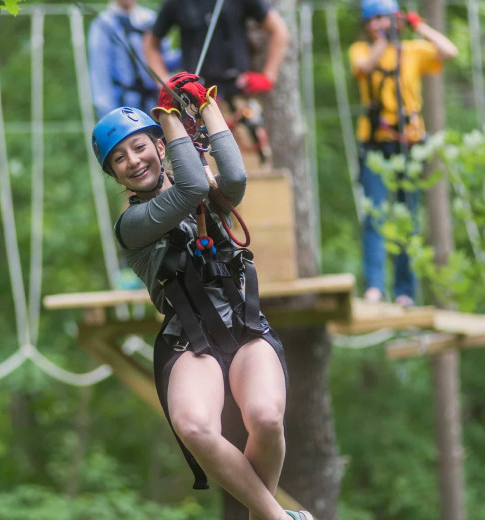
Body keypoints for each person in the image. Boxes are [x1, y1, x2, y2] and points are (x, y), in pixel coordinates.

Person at [91, 72, 312, 520]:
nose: (133, 161)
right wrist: (169, 115)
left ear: (159, 147)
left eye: (139, 146)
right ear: (114, 174)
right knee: (194, 425)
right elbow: (189, 187)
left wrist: (206, 103)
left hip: (245, 328)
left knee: (267, 419)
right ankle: (277, 517)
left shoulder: (207, 190)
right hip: (189, 341)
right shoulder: (133, 225)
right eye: (119, 158)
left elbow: (234, 175)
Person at [349, 0, 457, 306]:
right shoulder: (361, 49)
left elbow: (449, 51)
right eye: (375, 20)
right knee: (375, 215)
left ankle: (405, 290)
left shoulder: (412, 50)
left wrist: (417, 25)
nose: (380, 25)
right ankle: (374, 286)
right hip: (374, 144)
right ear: (367, 25)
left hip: (409, 143)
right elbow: (364, 67)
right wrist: (383, 38)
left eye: (385, 19)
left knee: (407, 217)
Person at [143, 0, 289, 165]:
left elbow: (279, 30)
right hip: (196, 105)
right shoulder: (177, 3)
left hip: (239, 102)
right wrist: (164, 83)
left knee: (252, 168)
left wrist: (268, 77)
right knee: (205, 175)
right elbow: (150, 43)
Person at [87, 0, 180, 119]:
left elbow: (164, 61)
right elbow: (99, 72)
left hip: (156, 104)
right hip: (124, 108)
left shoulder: (150, 19)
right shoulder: (104, 25)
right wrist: (109, 116)